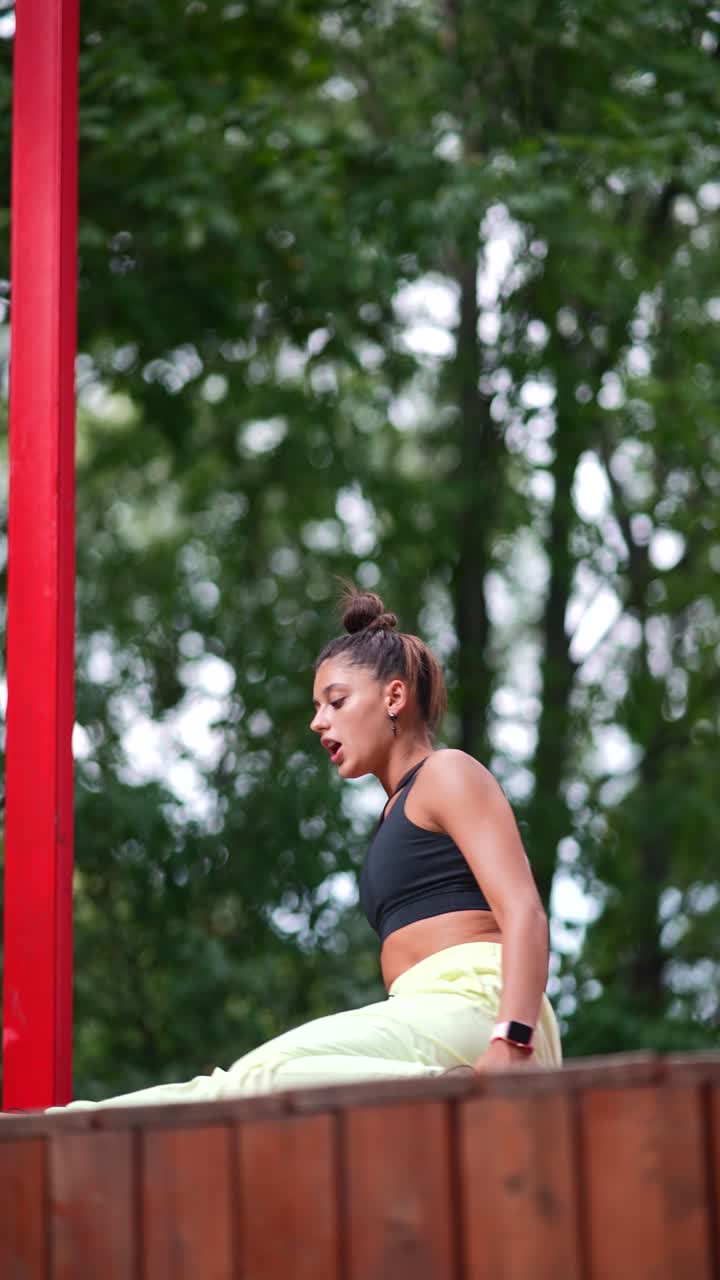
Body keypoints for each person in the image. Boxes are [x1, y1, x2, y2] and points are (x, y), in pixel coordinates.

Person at [50, 586, 561, 1111]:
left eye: (336, 702)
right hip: (426, 1017)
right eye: (318, 707)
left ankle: (447, 1094)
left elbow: (523, 910)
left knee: (266, 1077)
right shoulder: (395, 811)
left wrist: (513, 1039)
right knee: (235, 1090)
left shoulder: (448, 772)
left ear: (394, 697)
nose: (318, 721)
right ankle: (62, 1125)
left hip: (484, 1007)